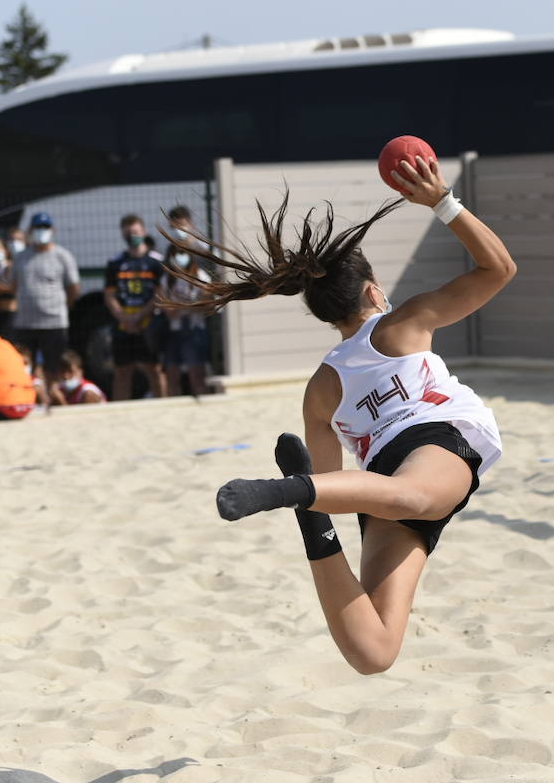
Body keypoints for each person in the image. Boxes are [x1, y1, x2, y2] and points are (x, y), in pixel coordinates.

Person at [179, 155, 514, 675]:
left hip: (377, 478)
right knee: (418, 498)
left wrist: (318, 497)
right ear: (371, 289)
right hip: (432, 442)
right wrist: (443, 202)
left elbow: (333, 483)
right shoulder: (404, 322)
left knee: (373, 653)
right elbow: (499, 269)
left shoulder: (321, 387)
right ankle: (286, 493)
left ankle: (311, 526)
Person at [3, 212, 79, 388]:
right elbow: (13, 285)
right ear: (30, 230)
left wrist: (63, 307)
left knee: (54, 368)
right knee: (24, 367)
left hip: (54, 323)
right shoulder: (21, 257)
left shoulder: (62, 256)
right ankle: (30, 400)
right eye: (37, 228)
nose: (41, 231)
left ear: (52, 230)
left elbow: (73, 288)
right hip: (25, 323)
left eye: (45, 227)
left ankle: (54, 400)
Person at [104, 214, 167, 400]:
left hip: (149, 324)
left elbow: (160, 294)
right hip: (123, 326)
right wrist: (124, 318)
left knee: (154, 369)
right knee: (122, 371)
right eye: (128, 233)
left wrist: (140, 316)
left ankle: (162, 406)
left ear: (144, 231)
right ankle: (119, 412)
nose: (132, 236)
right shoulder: (115, 262)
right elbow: (109, 295)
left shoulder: (157, 261)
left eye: (135, 232)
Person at [159, 243, 211, 396]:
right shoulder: (167, 278)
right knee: (172, 376)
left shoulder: (200, 276)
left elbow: (206, 304)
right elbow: (166, 307)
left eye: (184, 253)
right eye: (177, 254)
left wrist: (183, 306)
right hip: (174, 331)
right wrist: (184, 307)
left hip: (195, 330)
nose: (180, 258)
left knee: (197, 376)